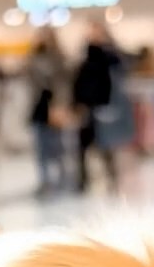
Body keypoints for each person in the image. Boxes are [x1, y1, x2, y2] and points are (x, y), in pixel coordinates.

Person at [73, 20, 132, 192]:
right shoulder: (84, 57)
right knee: (82, 147)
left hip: (104, 107)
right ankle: (82, 181)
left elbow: (121, 70)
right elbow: (78, 82)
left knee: (106, 147)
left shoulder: (110, 56)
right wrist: (77, 103)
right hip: (87, 108)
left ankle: (112, 179)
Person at [27, 27, 71, 197]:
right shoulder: (33, 59)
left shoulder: (59, 60)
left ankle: (62, 180)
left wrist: (60, 106)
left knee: (58, 148)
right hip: (38, 109)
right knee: (41, 150)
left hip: (54, 109)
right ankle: (45, 181)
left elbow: (63, 86)